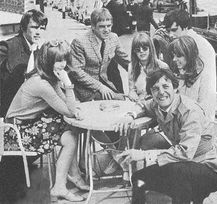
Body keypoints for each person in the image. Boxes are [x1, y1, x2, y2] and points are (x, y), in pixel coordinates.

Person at [114, 69, 217, 204]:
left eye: (166, 86)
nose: (161, 92)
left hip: (208, 170)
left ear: (175, 88)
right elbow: (143, 104)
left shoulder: (189, 111)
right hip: (182, 165)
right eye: (155, 89)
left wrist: (143, 155)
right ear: (151, 92)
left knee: (177, 176)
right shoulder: (157, 104)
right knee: (138, 179)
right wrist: (130, 116)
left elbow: (185, 153)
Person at [4, 40, 89, 202]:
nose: (62, 64)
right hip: (16, 132)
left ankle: (69, 177)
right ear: (47, 61)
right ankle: (63, 184)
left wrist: (72, 107)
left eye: (64, 59)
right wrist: (68, 84)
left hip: (29, 124)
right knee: (70, 133)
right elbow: (69, 110)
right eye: (58, 60)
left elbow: (67, 104)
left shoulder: (50, 77)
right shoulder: (41, 83)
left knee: (71, 130)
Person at [163, 8, 216, 120]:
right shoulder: (189, 42)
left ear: (185, 27)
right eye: (168, 31)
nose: (170, 35)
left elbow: (196, 89)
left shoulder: (194, 47)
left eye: (174, 30)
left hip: (198, 113)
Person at [69, 8, 130, 102]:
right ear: (93, 26)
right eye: (102, 27)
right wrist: (100, 87)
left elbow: (126, 61)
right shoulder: (80, 42)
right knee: (118, 100)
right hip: (85, 87)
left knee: (124, 99)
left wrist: (145, 73)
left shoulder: (113, 38)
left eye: (109, 26)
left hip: (105, 82)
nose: (106, 30)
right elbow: (77, 72)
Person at [0, 9, 48, 117]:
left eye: (42, 28)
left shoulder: (42, 49)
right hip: (10, 109)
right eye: (34, 27)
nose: (38, 32)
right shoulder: (8, 47)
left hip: (34, 106)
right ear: (22, 28)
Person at [168, 35, 216, 120]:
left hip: (196, 124)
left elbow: (204, 111)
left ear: (189, 55)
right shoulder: (180, 70)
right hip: (180, 120)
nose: (174, 59)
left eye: (178, 56)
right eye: (173, 55)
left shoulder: (204, 76)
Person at [128, 32, 169, 101]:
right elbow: (132, 89)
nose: (141, 51)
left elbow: (168, 90)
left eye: (144, 48)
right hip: (140, 102)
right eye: (138, 50)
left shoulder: (162, 66)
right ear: (134, 52)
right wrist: (132, 93)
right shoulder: (132, 66)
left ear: (150, 49)